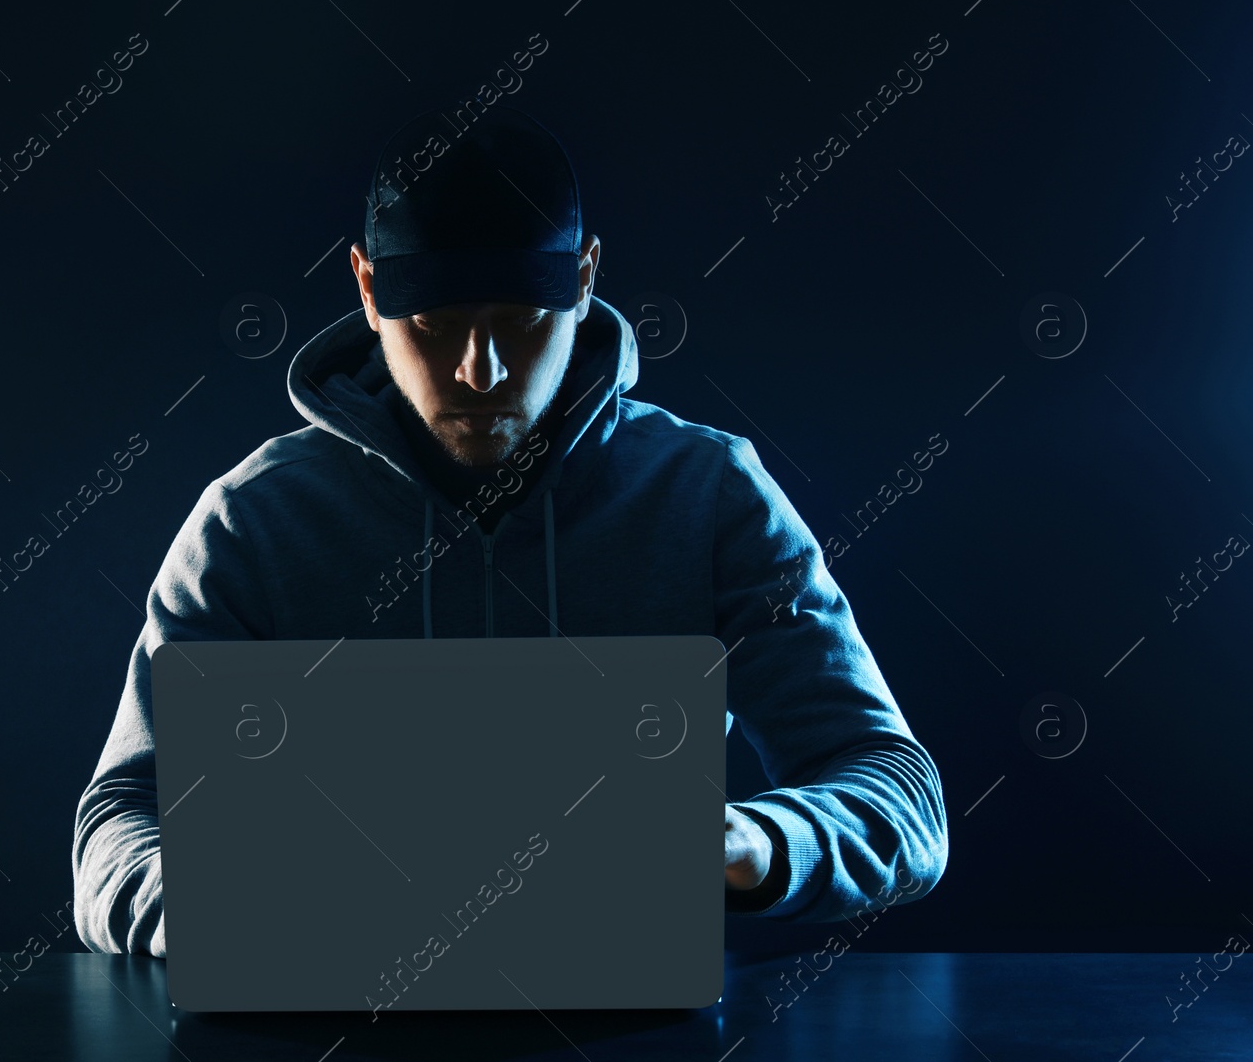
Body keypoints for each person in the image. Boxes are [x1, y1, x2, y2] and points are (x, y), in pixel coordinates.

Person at [72, 105, 948, 958]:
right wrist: (222, 911)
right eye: (435, 324)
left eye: (522, 322)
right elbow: (121, 817)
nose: (478, 371)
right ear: (370, 291)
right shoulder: (253, 520)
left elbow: (902, 795)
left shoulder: (708, 493)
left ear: (583, 279)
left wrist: (749, 843)